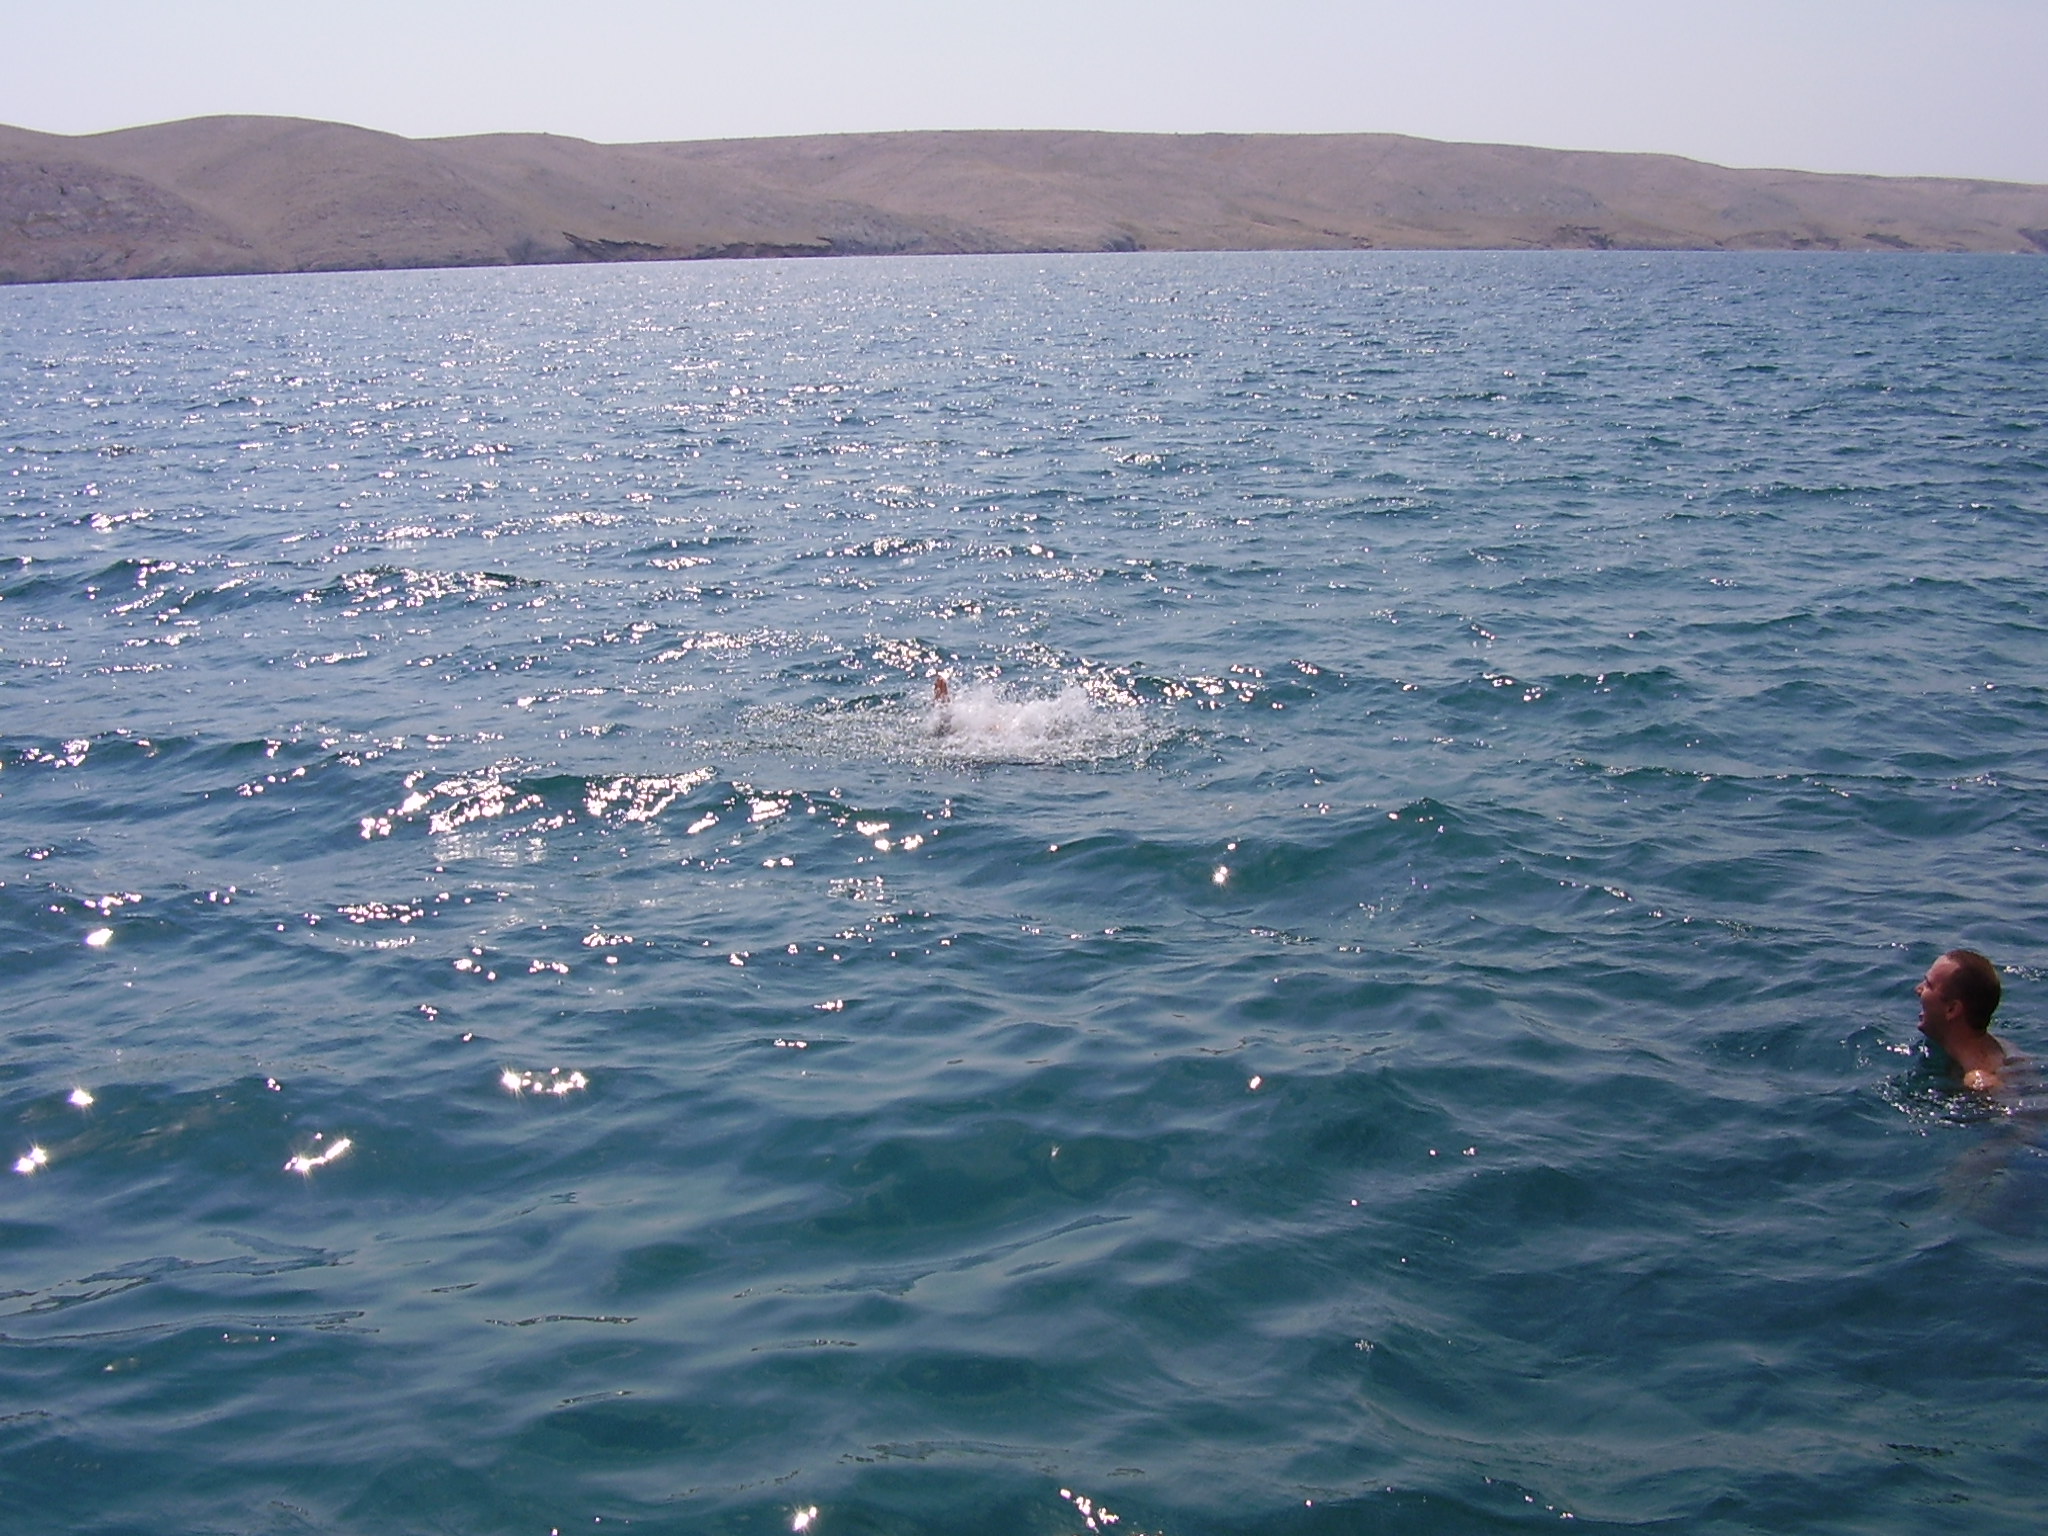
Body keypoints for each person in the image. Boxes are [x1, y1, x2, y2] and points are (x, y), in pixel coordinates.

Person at [1916, 948, 2008, 1090]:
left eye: (1928, 985)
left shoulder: (1978, 1082)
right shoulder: (2003, 1047)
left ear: (1952, 1009)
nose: (1918, 989)